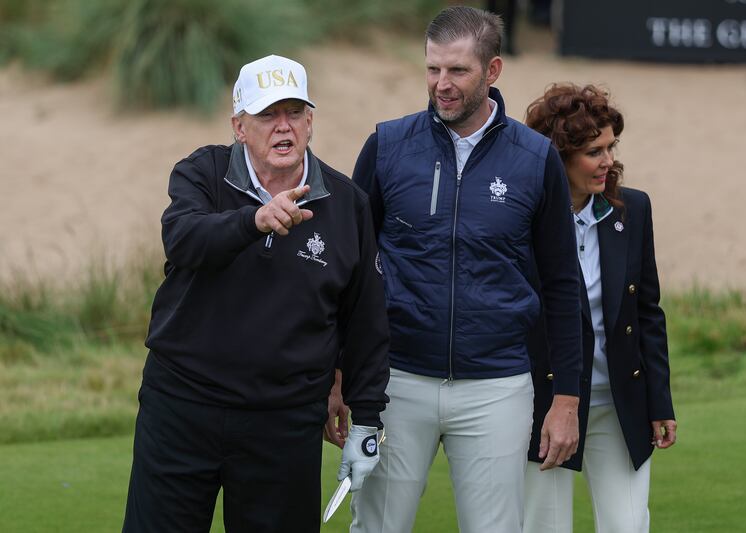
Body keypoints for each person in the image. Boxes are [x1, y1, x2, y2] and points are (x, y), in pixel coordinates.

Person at [121, 54, 390, 533]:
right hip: (182, 406)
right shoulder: (203, 172)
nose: (283, 126)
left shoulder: (348, 204)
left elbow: (365, 318)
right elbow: (183, 238)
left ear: (310, 122)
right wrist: (254, 220)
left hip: (284, 420)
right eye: (267, 114)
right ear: (239, 127)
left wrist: (367, 418)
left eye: (294, 112)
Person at [348, 6, 583, 533]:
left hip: (497, 385)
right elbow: (350, 270)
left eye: (458, 70)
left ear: (492, 70)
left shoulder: (536, 157)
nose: (442, 84)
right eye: (433, 69)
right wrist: (342, 373)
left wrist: (567, 398)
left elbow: (562, 285)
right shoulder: (387, 146)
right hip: (396, 381)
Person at [523, 83, 677, 533]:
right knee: (543, 527)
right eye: (594, 151)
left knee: (628, 526)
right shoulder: (522, 219)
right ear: (559, 157)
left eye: (611, 147)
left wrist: (660, 402)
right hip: (543, 403)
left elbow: (647, 312)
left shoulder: (634, 209)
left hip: (618, 400)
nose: (608, 161)